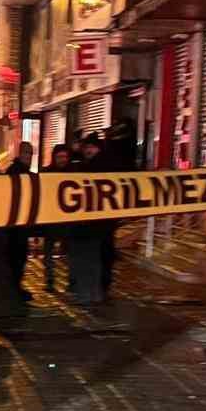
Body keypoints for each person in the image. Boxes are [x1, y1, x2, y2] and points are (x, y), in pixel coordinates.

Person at [66, 134, 109, 305]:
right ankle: (92, 293)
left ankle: (87, 294)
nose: (88, 150)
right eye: (86, 147)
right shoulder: (84, 165)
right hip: (87, 224)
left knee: (86, 259)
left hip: (90, 224)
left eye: (92, 147)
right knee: (89, 259)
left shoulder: (97, 166)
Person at [100, 120, 138, 295]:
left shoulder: (110, 155)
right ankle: (104, 282)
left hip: (108, 208)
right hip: (109, 208)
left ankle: (103, 282)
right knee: (105, 245)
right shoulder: (116, 156)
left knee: (105, 245)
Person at [4, 141, 36, 299]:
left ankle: (15, 287)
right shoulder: (15, 171)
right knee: (16, 257)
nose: (28, 157)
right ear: (20, 154)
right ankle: (14, 289)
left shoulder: (24, 171)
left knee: (19, 257)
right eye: (26, 153)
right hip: (15, 225)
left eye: (30, 154)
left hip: (21, 223)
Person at [41, 144, 71, 290]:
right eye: (60, 157)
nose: (62, 160)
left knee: (70, 253)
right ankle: (50, 280)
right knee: (48, 253)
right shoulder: (47, 173)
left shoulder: (73, 173)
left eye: (65, 157)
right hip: (51, 221)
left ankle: (72, 281)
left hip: (67, 221)